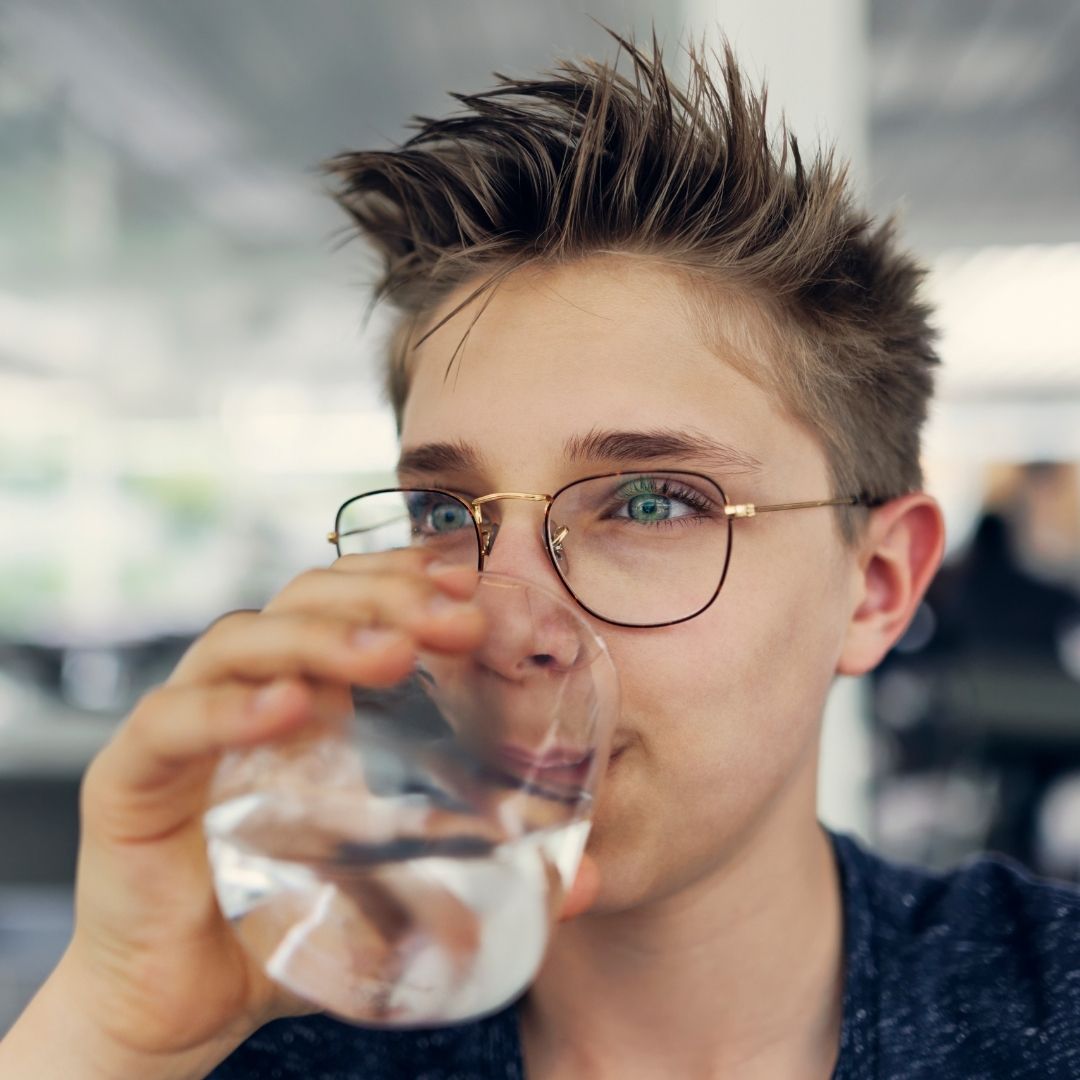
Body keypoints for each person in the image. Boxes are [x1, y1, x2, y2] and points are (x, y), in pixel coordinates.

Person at [4, 30, 1080, 1080]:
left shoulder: (1048, 1008)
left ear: (877, 587)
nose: (502, 623)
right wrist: (111, 1038)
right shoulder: (270, 1033)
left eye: (652, 502)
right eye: (443, 514)